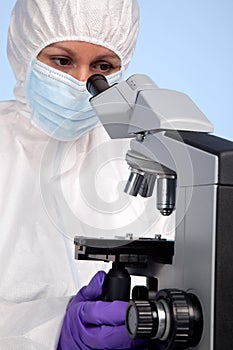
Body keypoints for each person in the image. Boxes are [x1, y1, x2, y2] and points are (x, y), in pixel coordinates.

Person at [0, 0, 153, 349]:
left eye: (102, 67)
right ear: (26, 50)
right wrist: (54, 330)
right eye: (62, 61)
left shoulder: (141, 156)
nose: (82, 82)